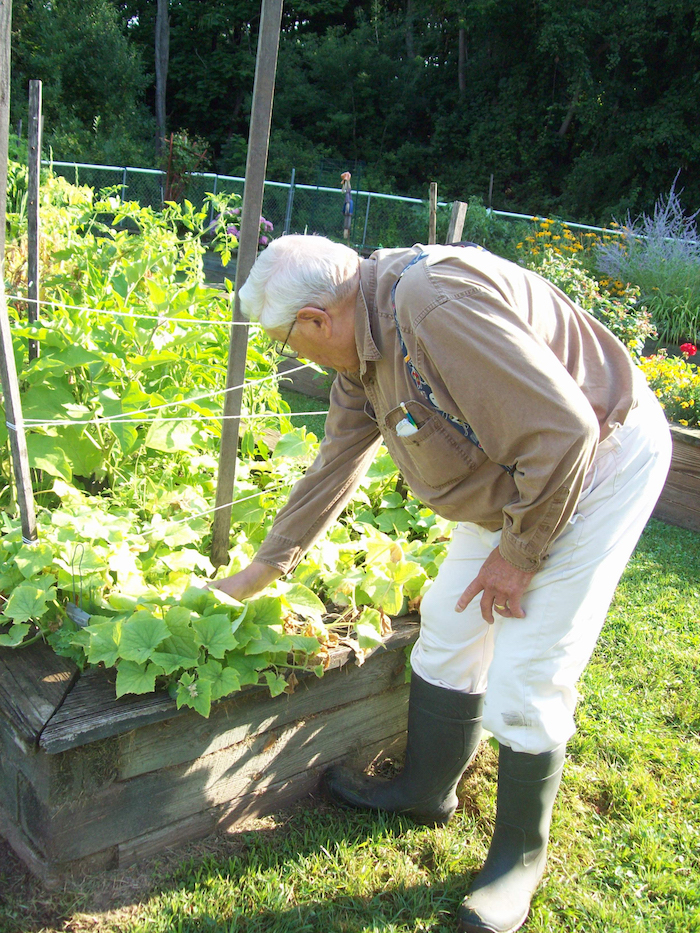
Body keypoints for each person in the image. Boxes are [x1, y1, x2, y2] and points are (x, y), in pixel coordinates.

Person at [213, 234, 671, 933]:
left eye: (284, 340)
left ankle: (518, 858)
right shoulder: (363, 346)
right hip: (518, 472)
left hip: (594, 466)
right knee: (449, 632)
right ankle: (426, 790)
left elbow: (565, 433)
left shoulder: (432, 309)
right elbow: (334, 464)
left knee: (528, 670)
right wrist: (262, 568)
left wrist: (519, 554)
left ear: (315, 319)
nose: (289, 352)